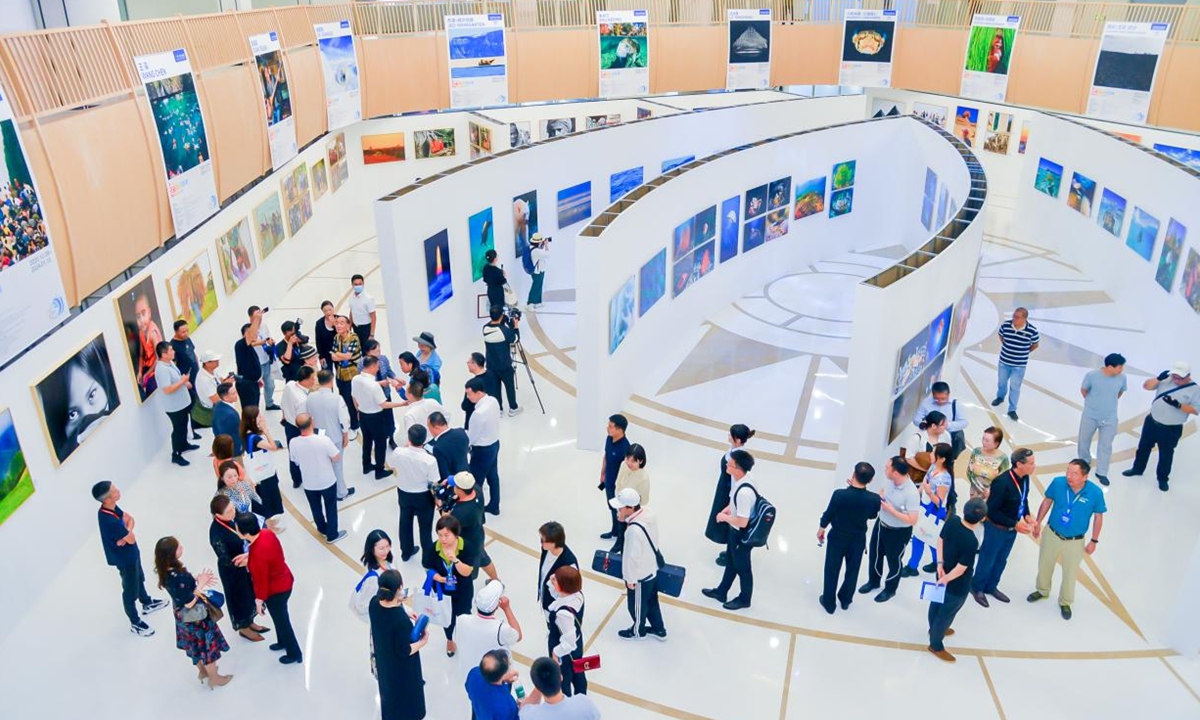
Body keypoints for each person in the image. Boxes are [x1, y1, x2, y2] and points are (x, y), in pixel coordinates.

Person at [1029, 459, 1107, 620]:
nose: (1069, 476)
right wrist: (1038, 522)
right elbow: (1047, 501)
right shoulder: (1058, 483)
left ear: (1085, 476)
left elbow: (1098, 517)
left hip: (1075, 540)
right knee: (1044, 563)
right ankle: (1042, 590)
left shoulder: (1095, 493)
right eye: (1068, 471)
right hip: (1052, 533)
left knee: (1070, 572)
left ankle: (1065, 601)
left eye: (1074, 473)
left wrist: (1094, 541)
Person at [153, 536, 232, 688]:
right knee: (206, 647)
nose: (182, 547)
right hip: (196, 617)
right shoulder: (178, 576)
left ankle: (202, 672)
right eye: (178, 547)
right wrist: (200, 585)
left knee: (194, 645)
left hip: (182, 616)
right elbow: (189, 602)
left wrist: (195, 580)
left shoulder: (166, 571)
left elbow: (180, 590)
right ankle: (215, 678)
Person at [92, 481, 167, 637]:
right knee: (130, 590)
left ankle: (146, 602)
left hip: (131, 553)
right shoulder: (110, 520)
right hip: (125, 559)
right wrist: (128, 534)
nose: (118, 490)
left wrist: (127, 532)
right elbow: (131, 539)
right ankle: (135, 622)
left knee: (139, 578)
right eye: (114, 490)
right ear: (107, 499)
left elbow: (130, 519)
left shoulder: (111, 508)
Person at [972, 448, 1034, 608]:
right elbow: (991, 511)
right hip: (996, 528)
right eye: (1031, 463)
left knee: (1001, 560)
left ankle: (991, 586)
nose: (1034, 466)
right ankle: (977, 587)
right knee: (988, 558)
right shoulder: (1002, 482)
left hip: (1011, 530)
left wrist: (1027, 515)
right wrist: (1015, 524)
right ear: (1019, 464)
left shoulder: (1025, 478)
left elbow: (1023, 499)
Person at [927, 498, 988, 663]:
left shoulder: (952, 520)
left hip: (941, 574)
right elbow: (961, 568)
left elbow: (940, 540)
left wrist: (940, 566)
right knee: (946, 613)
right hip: (956, 585)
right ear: (982, 518)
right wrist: (946, 579)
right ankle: (936, 644)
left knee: (935, 604)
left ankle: (934, 629)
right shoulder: (971, 541)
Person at [1122, 360, 1198, 492]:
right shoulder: (1166, 379)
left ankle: (1162, 479)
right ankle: (1137, 468)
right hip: (1152, 422)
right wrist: (1158, 379)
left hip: (1171, 429)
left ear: (1188, 376)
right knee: (1143, 447)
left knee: (1166, 454)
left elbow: (1196, 410)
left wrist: (1178, 405)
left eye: (1180, 378)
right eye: (1175, 376)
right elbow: (1146, 386)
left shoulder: (1195, 390)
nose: (1176, 380)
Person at [816, 462, 881, 614]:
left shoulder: (840, 495)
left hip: (838, 537)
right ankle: (845, 600)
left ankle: (829, 603)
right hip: (858, 539)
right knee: (853, 570)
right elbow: (872, 515)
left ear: (853, 474)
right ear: (870, 480)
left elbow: (830, 512)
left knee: (832, 569)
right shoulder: (874, 499)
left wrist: (822, 527)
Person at [236, 512, 302, 664]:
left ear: (245, 533)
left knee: (282, 621)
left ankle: (294, 653)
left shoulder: (257, 553)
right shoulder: (266, 533)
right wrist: (249, 557)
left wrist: (259, 601)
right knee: (279, 617)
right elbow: (268, 555)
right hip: (285, 579)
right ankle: (282, 641)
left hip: (276, 590)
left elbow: (261, 580)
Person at [702, 449, 758, 611]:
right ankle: (722, 591)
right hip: (735, 533)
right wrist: (728, 509)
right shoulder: (743, 480)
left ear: (738, 469)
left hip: (740, 534)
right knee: (732, 564)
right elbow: (735, 502)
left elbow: (742, 521)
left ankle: (744, 599)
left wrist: (724, 517)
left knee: (743, 568)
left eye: (730, 464)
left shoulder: (744, 493)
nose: (727, 464)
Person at [858, 456, 920, 603]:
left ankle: (890, 589)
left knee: (894, 561)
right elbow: (882, 491)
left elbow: (912, 520)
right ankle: (873, 581)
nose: (885, 469)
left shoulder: (911, 493)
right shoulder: (889, 480)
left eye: (887, 468)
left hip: (899, 532)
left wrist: (891, 510)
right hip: (881, 525)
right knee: (875, 555)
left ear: (896, 473)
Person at [209, 495, 268, 642]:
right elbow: (224, 558)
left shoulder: (232, 519)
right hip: (233, 571)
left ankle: (250, 621)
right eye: (229, 511)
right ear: (218, 515)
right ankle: (243, 627)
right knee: (238, 598)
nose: (233, 512)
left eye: (232, 508)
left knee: (249, 594)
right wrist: (245, 561)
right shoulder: (216, 532)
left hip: (246, 563)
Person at [371, 569, 428, 720]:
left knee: (389, 694)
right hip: (401, 668)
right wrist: (422, 642)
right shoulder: (399, 621)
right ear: (399, 588)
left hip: (384, 660)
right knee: (406, 696)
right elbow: (405, 650)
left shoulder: (374, 603)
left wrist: (403, 609)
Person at [612, 488, 666, 640]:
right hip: (652, 568)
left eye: (620, 508)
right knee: (652, 602)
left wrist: (630, 579)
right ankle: (659, 629)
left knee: (636, 606)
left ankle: (638, 631)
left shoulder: (633, 531)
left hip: (640, 575)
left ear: (630, 508)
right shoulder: (648, 515)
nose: (617, 510)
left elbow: (632, 558)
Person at [424, 514, 478, 656]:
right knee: (446, 618)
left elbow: (467, 572)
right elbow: (428, 568)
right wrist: (440, 579)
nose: (443, 539)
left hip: (463, 590)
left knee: (464, 615)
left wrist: (455, 560)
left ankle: (466, 636)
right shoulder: (433, 548)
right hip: (443, 591)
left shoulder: (467, 547)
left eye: (446, 535)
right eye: (440, 535)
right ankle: (449, 639)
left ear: (456, 534)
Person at [289, 413, 346, 543]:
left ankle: (322, 528)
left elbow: (295, 460)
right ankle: (332, 534)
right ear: (312, 423)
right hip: (327, 480)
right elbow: (336, 457)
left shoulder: (293, 442)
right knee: (330, 507)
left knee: (315, 507)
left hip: (309, 482)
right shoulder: (323, 440)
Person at [455, 580, 523, 688]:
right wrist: (507, 608)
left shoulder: (462, 619)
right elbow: (518, 636)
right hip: (496, 678)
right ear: (496, 606)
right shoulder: (500, 629)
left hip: (470, 675)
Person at [706, 424, 755, 567]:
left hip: (729, 494)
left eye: (730, 435)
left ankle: (731, 555)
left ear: (738, 440)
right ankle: (729, 552)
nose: (728, 436)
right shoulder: (734, 451)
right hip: (724, 489)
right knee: (728, 525)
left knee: (731, 526)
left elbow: (735, 479)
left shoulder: (737, 458)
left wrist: (731, 500)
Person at [903, 443, 954, 577]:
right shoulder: (933, 467)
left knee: (929, 539)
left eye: (933, 453)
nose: (930, 455)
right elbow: (923, 485)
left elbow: (939, 501)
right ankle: (916, 565)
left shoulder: (944, 478)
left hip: (934, 513)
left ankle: (915, 566)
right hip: (924, 508)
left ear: (942, 459)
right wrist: (916, 496)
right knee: (920, 537)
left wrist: (929, 492)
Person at [1078, 353, 1127, 486]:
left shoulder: (1122, 378)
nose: (1121, 370)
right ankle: (1084, 461)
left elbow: (1119, 392)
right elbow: (1084, 390)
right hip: (1090, 415)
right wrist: (1093, 403)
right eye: (1119, 367)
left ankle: (1102, 471)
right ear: (1110, 366)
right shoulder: (1092, 375)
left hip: (1110, 417)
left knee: (1106, 445)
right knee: (1084, 439)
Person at [392, 424, 439, 562]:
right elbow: (434, 482)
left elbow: (392, 464)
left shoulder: (399, 452)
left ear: (409, 438)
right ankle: (427, 558)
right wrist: (438, 500)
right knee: (425, 528)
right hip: (423, 495)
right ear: (424, 439)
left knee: (405, 521)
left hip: (404, 492)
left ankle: (406, 552)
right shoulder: (429, 460)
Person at [354, 356, 406, 480]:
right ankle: (379, 470)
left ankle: (366, 465)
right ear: (372, 366)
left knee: (367, 441)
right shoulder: (374, 386)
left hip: (363, 415)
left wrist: (358, 410)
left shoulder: (355, 379)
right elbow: (384, 404)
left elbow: (354, 397)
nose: (378, 369)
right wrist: (402, 404)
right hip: (375, 417)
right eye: (377, 366)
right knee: (380, 443)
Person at [307, 369, 353, 499]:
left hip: (318, 436)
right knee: (337, 465)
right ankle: (341, 492)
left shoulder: (310, 397)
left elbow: (309, 415)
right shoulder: (337, 399)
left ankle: (325, 489)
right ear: (331, 381)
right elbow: (344, 419)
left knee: (322, 464)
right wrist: (345, 435)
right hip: (334, 436)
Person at [449, 471, 500, 582]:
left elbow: (447, 525)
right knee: (483, 559)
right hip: (478, 536)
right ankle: (496, 581)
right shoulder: (477, 490)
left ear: (460, 490)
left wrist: (441, 507)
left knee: (467, 574)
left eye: (455, 486)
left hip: (467, 546)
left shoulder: (460, 512)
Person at [991, 306, 1040, 421]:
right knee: (1001, 382)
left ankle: (1012, 409)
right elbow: (1001, 336)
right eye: (1013, 316)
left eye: (1017, 317)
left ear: (1024, 319)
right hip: (1004, 362)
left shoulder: (1032, 331)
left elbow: (1035, 345)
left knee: (1015, 386)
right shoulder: (1005, 326)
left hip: (1019, 365)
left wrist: (1023, 352)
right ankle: (1000, 397)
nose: (1014, 319)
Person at [155, 341, 198, 466]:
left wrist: (184, 382)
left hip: (182, 403)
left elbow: (176, 379)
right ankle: (176, 454)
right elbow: (167, 389)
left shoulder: (170, 363)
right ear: (164, 354)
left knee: (184, 425)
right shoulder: (161, 370)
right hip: (174, 406)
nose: (173, 352)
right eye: (171, 350)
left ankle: (184, 444)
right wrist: (182, 381)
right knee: (178, 429)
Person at [546, 566, 587, 696]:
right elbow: (558, 594)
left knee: (563, 678)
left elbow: (569, 642)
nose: (553, 579)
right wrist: (554, 580)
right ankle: (581, 697)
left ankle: (567, 701)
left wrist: (555, 653)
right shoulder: (578, 595)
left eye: (556, 580)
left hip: (563, 648)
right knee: (578, 673)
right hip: (577, 641)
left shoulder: (563, 614)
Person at [465, 377, 503, 514]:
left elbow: (472, 437)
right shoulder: (493, 401)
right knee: (493, 477)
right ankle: (494, 506)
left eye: (469, 394)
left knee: (476, 483)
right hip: (494, 444)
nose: (468, 397)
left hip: (482, 451)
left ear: (479, 392)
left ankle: (477, 512)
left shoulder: (478, 414)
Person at [240, 405, 286, 516]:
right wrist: (266, 431)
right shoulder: (255, 438)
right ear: (253, 420)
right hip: (264, 471)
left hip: (257, 470)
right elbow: (273, 447)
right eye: (258, 416)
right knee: (269, 494)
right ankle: (271, 514)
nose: (261, 417)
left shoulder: (244, 433)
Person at [520, 656, 601, 718]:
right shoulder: (584, 703)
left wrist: (541, 682)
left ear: (537, 686)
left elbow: (525, 708)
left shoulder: (529, 715)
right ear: (561, 677)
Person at [281, 364, 316, 488]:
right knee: (304, 454)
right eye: (312, 378)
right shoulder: (303, 400)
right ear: (305, 380)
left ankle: (296, 479)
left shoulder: (290, 385)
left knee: (293, 454)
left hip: (288, 424)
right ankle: (307, 477)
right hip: (298, 429)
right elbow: (303, 421)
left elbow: (283, 404)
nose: (314, 380)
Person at [482, 306, 521, 416]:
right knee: (509, 387)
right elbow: (515, 339)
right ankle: (513, 408)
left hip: (491, 365)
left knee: (495, 389)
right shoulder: (505, 331)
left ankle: (498, 409)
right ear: (501, 315)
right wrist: (515, 325)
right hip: (505, 366)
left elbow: (497, 329)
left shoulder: (485, 328)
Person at [913, 381, 968, 456]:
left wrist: (946, 425)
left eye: (943, 398)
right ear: (932, 394)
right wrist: (924, 425)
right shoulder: (926, 403)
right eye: (936, 399)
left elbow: (964, 422)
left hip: (951, 438)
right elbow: (916, 419)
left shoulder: (956, 404)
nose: (940, 401)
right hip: (930, 438)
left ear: (948, 394)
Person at [598, 414, 631, 541]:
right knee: (612, 507)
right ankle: (614, 531)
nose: (607, 428)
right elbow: (606, 456)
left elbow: (628, 470)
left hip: (619, 486)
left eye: (610, 426)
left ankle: (622, 536)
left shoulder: (625, 448)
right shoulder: (609, 438)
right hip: (609, 481)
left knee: (621, 510)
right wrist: (602, 474)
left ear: (620, 430)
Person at [537, 521, 579, 614]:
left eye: (543, 540)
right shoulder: (546, 549)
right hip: (545, 597)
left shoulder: (569, 563)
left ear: (554, 542)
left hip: (557, 606)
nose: (541, 542)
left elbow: (572, 591)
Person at [364, 339, 400, 448]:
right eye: (375, 351)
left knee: (389, 417)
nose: (378, 354)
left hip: (385, 393)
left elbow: (389, 371)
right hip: (373, 396)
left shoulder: (383, 359)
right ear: (368, 352)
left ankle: (391, 438)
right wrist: (380, 383)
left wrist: (396, 378)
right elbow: (364, 382)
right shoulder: (363, 363)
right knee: (378, 419)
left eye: (379, 351)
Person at [465, 650, 520, 720]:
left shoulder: (474, 674)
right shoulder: (508, 704)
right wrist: (522, 709)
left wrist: (503, 678)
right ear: (503, 673)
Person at [353, 530, 395, 621]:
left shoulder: (390, 561)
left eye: (388, 546)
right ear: (372, 549)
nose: (386, 551)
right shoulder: (373, 578)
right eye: (381, 548)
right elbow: (363, 605)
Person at [169, 319, 201, 439]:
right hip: (185, 379)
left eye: (187, 331)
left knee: (196, 399)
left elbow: (193, 353)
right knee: (190, 402)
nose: (186, 334)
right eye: (183, 332)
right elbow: (174, 366)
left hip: (194, 374)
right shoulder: (173, 346)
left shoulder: (187, 339)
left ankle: (198, 421)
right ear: (176, 332)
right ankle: (191, 429)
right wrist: (183, 381)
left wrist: (197, 366)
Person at [331, 315, 363, 431]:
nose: (338, 325)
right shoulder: (336, 337)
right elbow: (333, 356)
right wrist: (341, 356)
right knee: (343, 399)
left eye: (341, 323)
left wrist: (339, 355)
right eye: (337, 323)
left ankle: (355, 425)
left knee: (351, 400)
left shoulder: (354, 337)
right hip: (340, 374)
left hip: (352, 374)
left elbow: (348, 356)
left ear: (348, 325)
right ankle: (347, 422)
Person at [246, 306, 279, 410]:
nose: (260, 316)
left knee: (270, 385)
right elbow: (249, 343)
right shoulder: (248, 329)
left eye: (260, 313)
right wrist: (262, 342)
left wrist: (270, 341)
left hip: (266, 359)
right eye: (257, 314)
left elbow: (268, 337)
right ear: (251, 317)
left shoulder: (264, 326)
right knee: (256, 387)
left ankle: (269, 404)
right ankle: (254, 409)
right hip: (256, 363)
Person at [966, 426, 1011, 498]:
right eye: (983, 439)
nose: (983, 442)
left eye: (987, 441)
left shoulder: (1003, 459)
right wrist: (976, 487)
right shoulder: (976, 452)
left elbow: (1003, 480)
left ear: (996, 443)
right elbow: (969, 471)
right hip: (975, 491)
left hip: (992, 494)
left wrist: (991, 490)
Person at [192, 349, 231, 430]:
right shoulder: (204, 379)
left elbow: (220, 380)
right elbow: (215, 399)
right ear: (207, 363)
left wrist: (227, 380)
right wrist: (226, 385)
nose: (218, 362)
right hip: (211, 410)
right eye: (215, 361)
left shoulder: (212, 371)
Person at [428, 411, 469, 481]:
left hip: (453, 481)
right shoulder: (461, 432)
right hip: (466, 475)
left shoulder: (438, 448)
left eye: (429, 427)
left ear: (436, 427)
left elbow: (443, 472)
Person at [462, 352, 499, 427]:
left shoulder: (472, 384)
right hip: (489, 415)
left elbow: (465, 406)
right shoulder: (491, 374)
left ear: (474, 365)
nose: (467, 364)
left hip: (473, 419)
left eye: (469, 362)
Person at [233, 321, 263, 408]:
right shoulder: (240, 345)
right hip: (246, 385)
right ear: (247, 333)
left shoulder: (249, 346)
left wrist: (257, 379)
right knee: (250, 410)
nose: (257, 334)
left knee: (255, 408)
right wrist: (256, 317)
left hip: (253, 383)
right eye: (255, 332)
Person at [212, 382, 243, 454]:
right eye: (233, 394)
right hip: (233, 449)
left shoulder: (218, 405)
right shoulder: (230, 415)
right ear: (225, 397)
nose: (236, 395)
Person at [348, 273, 377, 344]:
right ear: (352, 285)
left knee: (366, 348)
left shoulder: (368, 299)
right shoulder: (351, 298)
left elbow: (373, 317)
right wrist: (349, 327)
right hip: (356, 328)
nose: (358, 286)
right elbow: (352, 312)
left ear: (363, 284)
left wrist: (372, 334)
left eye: (360, 284)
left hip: (365, 329)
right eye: (356, 284)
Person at [527, 234, 549, 307]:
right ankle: (530, 302)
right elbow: (547, 254)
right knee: (536, 287)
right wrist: (546, 245)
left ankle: (538, 302)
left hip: (538, 270)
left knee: (539, 286)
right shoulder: (536, 251)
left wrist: (542, 245)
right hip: (537, 271)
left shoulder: (532, 248)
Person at [314, 300, 337, 369]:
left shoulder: (340, 319)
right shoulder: (319, 323)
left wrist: (334, 325)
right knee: (326, 372)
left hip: (339, 352)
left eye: (330, 310)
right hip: (326, 353)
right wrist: (321, 356)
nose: (328, 312)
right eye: (325, 311)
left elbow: (344, 334)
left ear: (333, 309)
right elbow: (318, 341)